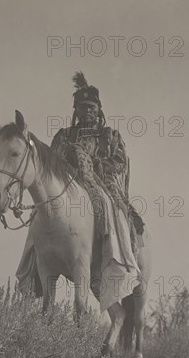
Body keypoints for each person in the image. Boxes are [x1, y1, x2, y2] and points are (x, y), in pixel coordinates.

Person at [51, 72, 144, 254]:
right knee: (42, 210)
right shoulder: (64, 136)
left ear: (99, 110)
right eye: (83, 107)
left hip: (104, 184)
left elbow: (120, 161)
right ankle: (34, 267)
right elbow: (52, 162)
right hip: (69, 183)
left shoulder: (110, 135)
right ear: (76, 110)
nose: (87, 111)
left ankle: (124, 257)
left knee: (120, 211)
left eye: (91, 107)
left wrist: (97, 164)